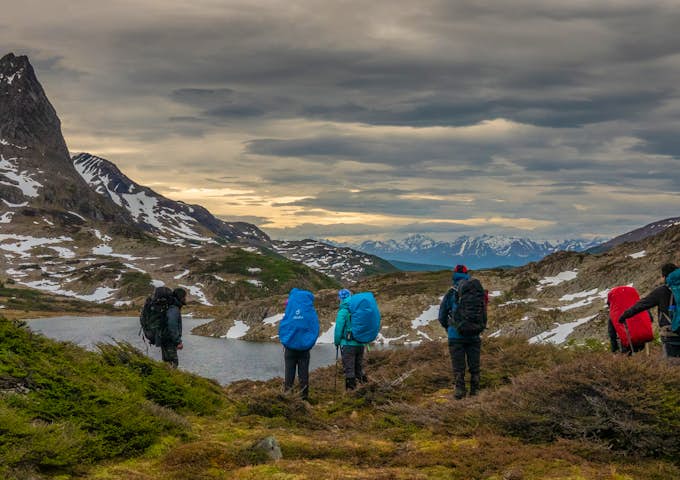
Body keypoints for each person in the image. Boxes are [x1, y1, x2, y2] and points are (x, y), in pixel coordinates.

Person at [438, 265, 486, 399]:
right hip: (474, 334)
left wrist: (449, 328)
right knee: (474, 364)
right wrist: (479, 327)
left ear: (454, 275)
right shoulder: (477, 291)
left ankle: (460, 391)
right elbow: (483, 313)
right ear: (467, 274)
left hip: (456, 335)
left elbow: (442, 315)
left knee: (458, 366)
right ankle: (475, 391)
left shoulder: (452, 292)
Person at [618, 263, 680, 358]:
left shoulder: (661, 291)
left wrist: (624, 315)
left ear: (664, 276)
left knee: (672, 366)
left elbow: (642, 304)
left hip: (671, 334)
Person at [279, 288, 319, 400]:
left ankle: (287, 397)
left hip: (290, 347)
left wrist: (285, 341)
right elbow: (315, 327)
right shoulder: (309, 311)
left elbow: (283, 326)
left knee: (289, 374)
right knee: (303, 374)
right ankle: (304, 398)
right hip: (304, 349)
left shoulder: (290, 309)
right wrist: (309, 344)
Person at [334, 288, 368, 391]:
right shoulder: (358, 309)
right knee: (359, 368)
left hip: (348, 344)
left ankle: (351, 392)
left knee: (349, 369)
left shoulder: (343, 311)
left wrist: (337, 342)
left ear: (341, 298)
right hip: (360, 344)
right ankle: (365, 389)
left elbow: (339, 328)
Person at [161, 287, 186, 368]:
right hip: (169, 340)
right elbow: (172, 324)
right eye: (184, 297)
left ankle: (164, 378)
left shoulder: (171, 307)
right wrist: (178, 341)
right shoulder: (174, 309)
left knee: (167, 362)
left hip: (165, 338)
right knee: (173, 363)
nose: (185, 299)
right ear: (181, 297)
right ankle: (169, 379)